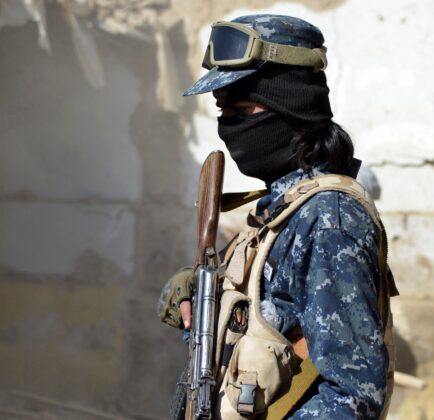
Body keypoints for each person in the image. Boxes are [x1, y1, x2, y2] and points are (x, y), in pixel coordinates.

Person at [158, 14, 397, 419]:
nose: (227, 127)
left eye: (240, 109)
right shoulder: (283, 210)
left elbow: (352, 396)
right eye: (222, 110)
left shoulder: (326, 220)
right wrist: (205, 304)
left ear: (288, 103)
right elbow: (260, 345)